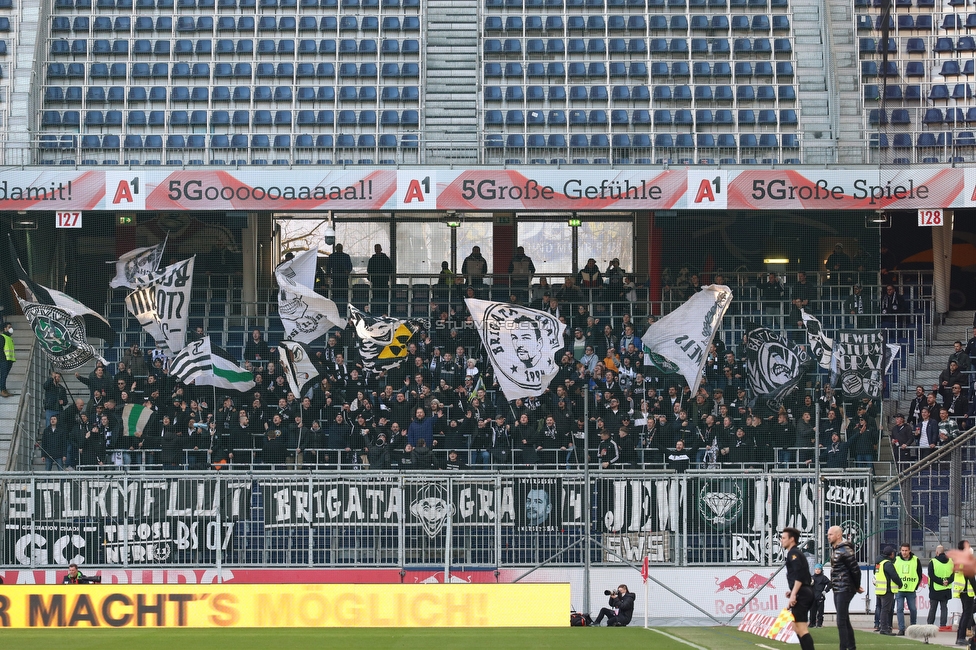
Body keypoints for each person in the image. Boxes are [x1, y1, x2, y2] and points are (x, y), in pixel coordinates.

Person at [828, 524, 863, 650]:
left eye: (831, 534)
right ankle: (851, 647)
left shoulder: (845, 550)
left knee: (841, 621)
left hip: (844, 587)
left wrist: (857, 586)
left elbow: (855, 570)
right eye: (828, 534)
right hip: (838, 587)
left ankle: (843, 647)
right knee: (844, 619)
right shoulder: (837, 549)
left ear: (838, 535)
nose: (828, 536)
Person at [781, 527, 816, 650]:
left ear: (792, 539)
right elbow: (801, 576)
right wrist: (792, 592)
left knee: (801, 628)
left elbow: (800, 575)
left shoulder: (793, 553)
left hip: (803, 594)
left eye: (784, 538)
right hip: (803, 591)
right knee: (796, 627)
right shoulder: (795, 553)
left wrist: (794, 594)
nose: (781, 540)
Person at [948, 540, 976, 647]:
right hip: (967, 591)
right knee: (966, 615)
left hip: (962, 590)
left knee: (965, 614)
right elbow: (971, 578)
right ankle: (961, 637)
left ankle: (960, 637)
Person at [894, 542, 922, 635]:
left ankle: (913, 628)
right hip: (899, 589)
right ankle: (901, 629)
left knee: (913, 609)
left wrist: (915, 586)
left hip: (911, 589)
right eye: (902, 550)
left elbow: (919, 574)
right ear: (900, 550)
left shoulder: (916, 560)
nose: (904, 552)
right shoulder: (896, 559)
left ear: (909, 550)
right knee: (899, 609)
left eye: (906, 550)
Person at [875, 545, 902, 636]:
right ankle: (884, 628)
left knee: (883, 609)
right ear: (891, 554)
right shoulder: (887, 563)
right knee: (885, 610)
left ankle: (883, 627)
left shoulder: (879, 563)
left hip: (880, 589)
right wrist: (900, 584)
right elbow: (894, 576)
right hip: (887, 590)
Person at [927, 544, 954, 631]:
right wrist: (947, 581)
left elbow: (931, 575)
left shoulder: (933, 561)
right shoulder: (950, 561)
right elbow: (953, 575)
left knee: (933, 608)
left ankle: (930, 624)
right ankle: (943, 625)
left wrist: (940, 582)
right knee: (944, 607)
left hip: (935, 588)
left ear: (937, 552)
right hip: (946, 589)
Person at [366, 243, 393, 310]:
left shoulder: (382, 259)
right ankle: (377, 310)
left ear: (381, 249)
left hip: (382, 281)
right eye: (376, 248)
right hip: (377, 281)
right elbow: (369, 270)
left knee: (383, 296)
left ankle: (384, 310)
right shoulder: (374, 259)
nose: (377, 250)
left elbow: (390, 268)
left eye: (378, 248)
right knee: (376, 296)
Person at [810, 563, 831, 628]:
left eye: (819, 569)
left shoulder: (823, 578)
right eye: (816, 569)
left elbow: (830, 584)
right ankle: (812, 624)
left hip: (820, 596)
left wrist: (825, 591)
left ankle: (819, 624)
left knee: (820, 611)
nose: (817, 570)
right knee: (812, 611)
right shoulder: (812, 577)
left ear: (821, 570)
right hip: (813, 597)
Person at [0, 321, 15, 397]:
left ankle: (4, 389)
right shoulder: (2, 337)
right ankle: (2, 390)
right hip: (4, 360)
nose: (11, 329)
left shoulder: (9, 338)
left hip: (9, 360)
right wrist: (4, 359)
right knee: (3, 375)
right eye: (9, 327)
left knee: (4, 376)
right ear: (5, 328)